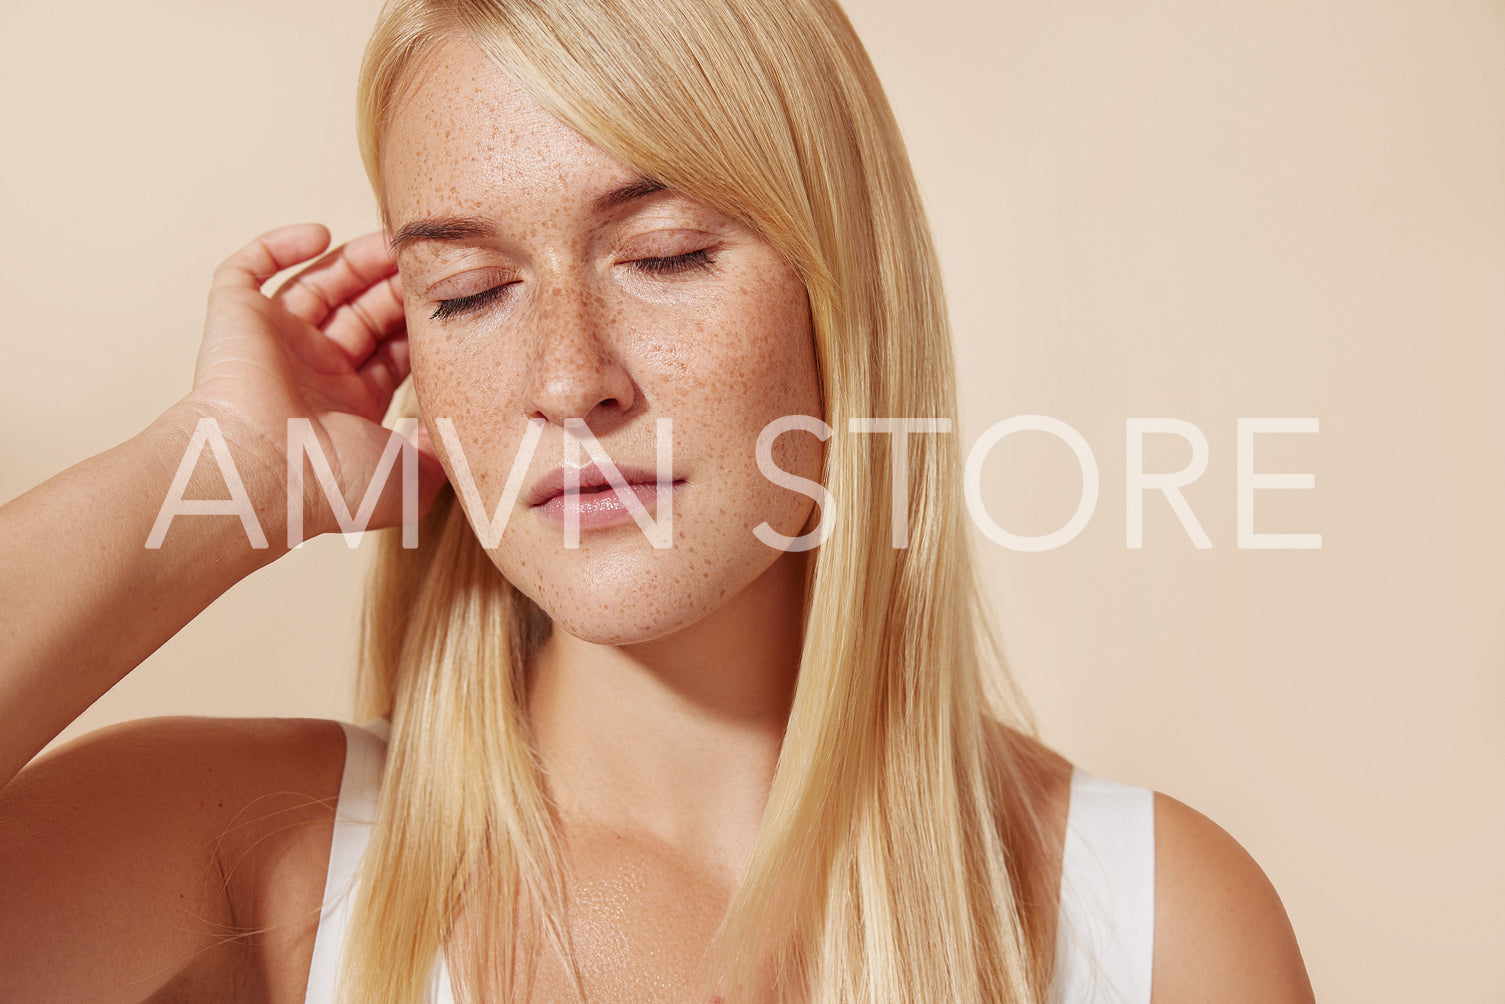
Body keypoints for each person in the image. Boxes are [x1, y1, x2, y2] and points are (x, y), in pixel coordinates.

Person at [0, 0, 1316, 1001]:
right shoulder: (240, 860)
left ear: (840, 295)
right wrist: (213, 472)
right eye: (467, 292)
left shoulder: (1155, 925)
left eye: (666, 256)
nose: (568, 380)